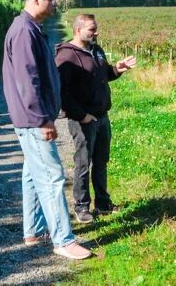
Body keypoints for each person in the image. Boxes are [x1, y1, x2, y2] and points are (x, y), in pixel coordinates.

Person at [1, 0, 92, 260]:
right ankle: (63, 240)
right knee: (52, 177)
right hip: (33, 120)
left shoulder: (29, 28)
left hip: (30, 118)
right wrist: (43, 119)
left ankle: (33, 230)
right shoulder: (24, 31)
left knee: (32, 174)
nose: (55, 5)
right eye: (52, 0)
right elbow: (28, 80)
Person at [56, 13, 137, 223]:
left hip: (102, 117)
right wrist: (81, 116)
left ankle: (102, 203)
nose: (96, 32)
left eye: (96, 28)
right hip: (83, 120)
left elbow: (103, 74)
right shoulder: (66, 56)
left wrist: (117, 69)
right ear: (77, 30)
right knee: (83, 163)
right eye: (92, 29)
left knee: (101, 161)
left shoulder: (96, 50)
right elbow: (61, 92)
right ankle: (82, 207)